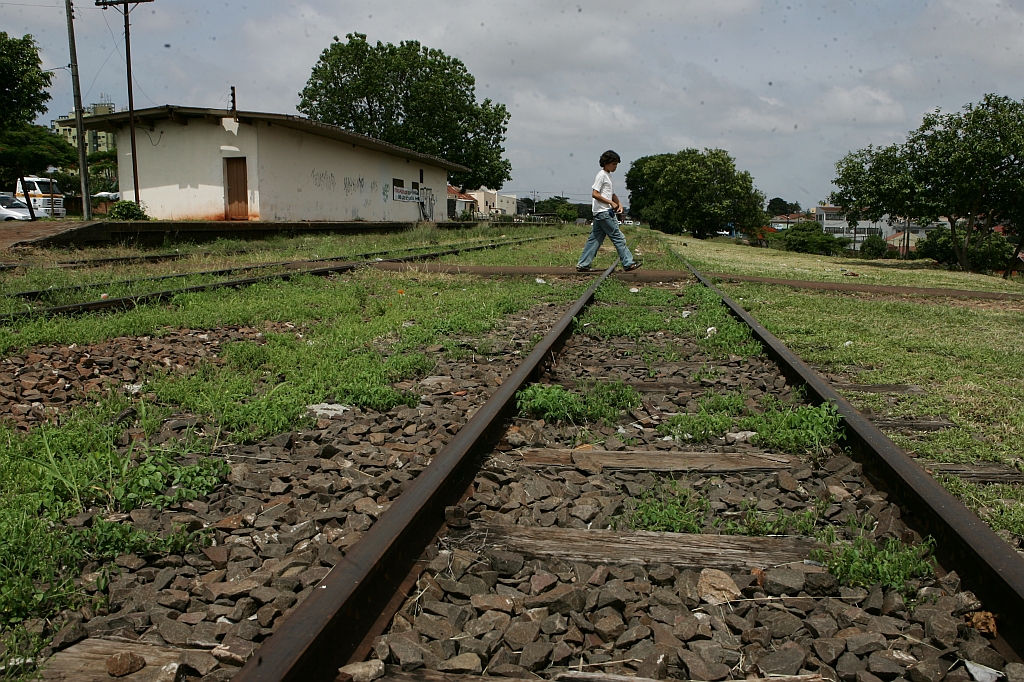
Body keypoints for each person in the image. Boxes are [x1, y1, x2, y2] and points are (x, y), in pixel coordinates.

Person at [576, 150, 641, 272]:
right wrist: (610, 203)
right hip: (604, 212)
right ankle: (628, 263)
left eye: (616, 164)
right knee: (618, 237)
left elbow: (611, 194)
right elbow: (595, 194)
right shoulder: (601, 175)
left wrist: (619, 203)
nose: (615, 167)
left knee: (595, 239)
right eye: (614, 164)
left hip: (600, 213)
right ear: (606, 163)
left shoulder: (607, 176)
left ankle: (583, 264)